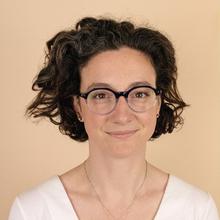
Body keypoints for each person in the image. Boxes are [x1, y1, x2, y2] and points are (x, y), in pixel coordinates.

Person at [8, 17, 219, 220]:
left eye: (139, 93)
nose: (122, 114)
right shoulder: (32, 211)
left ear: (158, 103)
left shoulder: (197, 209)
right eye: (101, 95)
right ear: (78, 106)